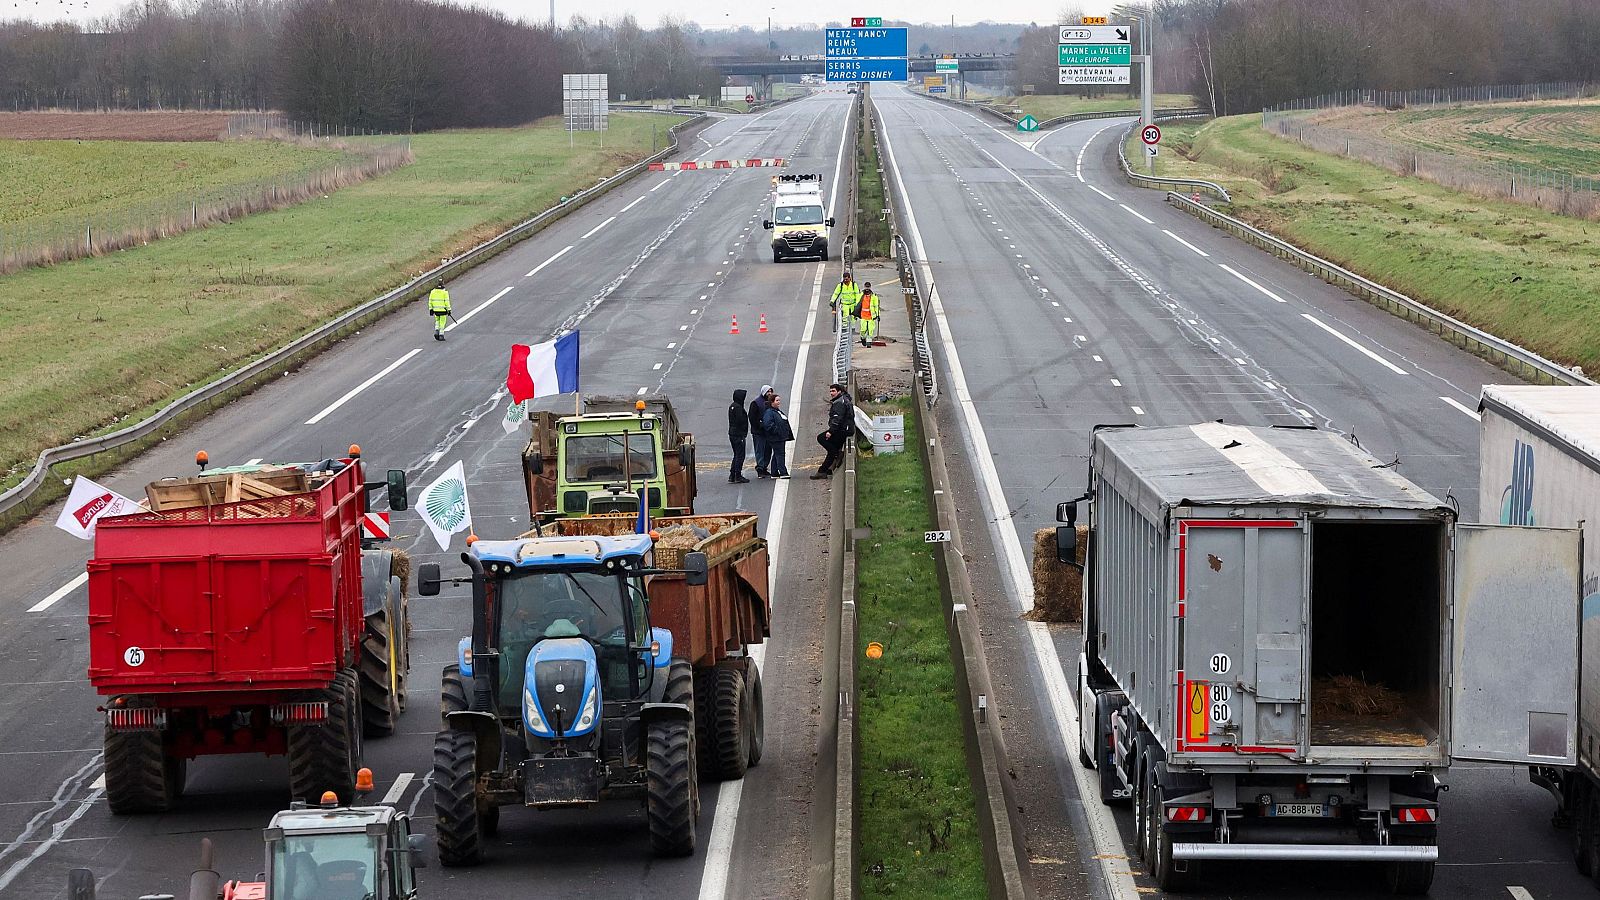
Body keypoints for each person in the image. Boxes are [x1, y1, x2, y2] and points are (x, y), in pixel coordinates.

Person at [811, 383, 853, 479]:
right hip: (846, 429)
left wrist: (831, 431)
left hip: (842, 430)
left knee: (821, 438)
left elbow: (837, 419)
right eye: (830, 391)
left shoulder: (839, 402)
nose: (831, 393)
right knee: (831, 450)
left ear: (839, 391)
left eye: (833, 391)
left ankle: (836, 455)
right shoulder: (844, 400)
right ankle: (825, 470)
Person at [762, 393, 794, 479]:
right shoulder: (769, 412)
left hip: (779, 437)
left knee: (777, 454)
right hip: (776, 437)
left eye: (779, 400)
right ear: (772, 402)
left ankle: (774, 472)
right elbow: (768, 424)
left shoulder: (776, 411)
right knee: (780, 454)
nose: (779, 402)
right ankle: (783, 472)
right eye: (777, 400)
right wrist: (778, 431)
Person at [748, 385, 774, 478]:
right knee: (760, 450)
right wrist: (760, 426)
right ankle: (760, 468)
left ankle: (764, 468)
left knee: (768, 450)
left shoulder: (771, 402)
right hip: (759, 432)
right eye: (768, 392)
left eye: (771, 391)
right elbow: (752, 417)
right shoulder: (756, 403)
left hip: (768, 431)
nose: (769, 393)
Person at [728, 388, 750, 484]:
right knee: (740, 455)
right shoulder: (738, 408)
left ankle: (732, 475)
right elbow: (741, 421)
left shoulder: (732, 406)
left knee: (736, 454)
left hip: (733, 433)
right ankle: (738, 475)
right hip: (738, 434)